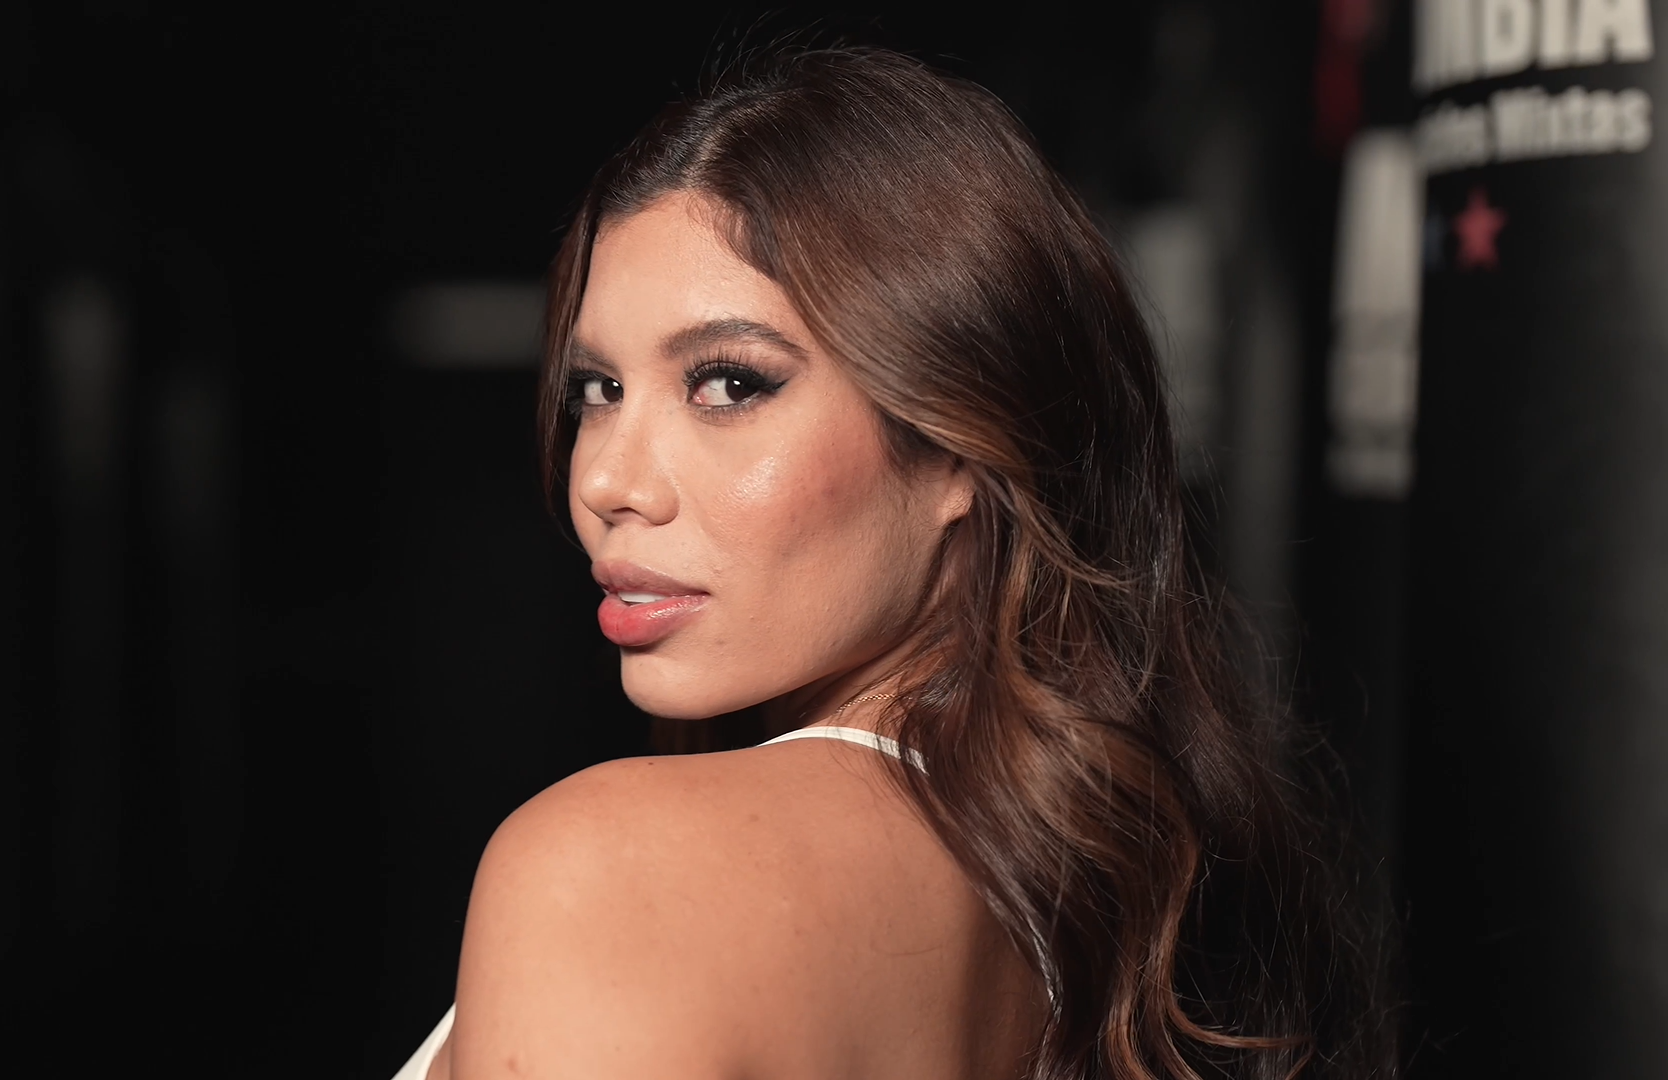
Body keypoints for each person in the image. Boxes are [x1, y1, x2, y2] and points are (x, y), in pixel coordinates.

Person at [396, 45, 1391, 1080]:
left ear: (961, 444)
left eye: (729, 384)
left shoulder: (608, 873)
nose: (606, 480)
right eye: (597, 390)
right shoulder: (1086, 891)